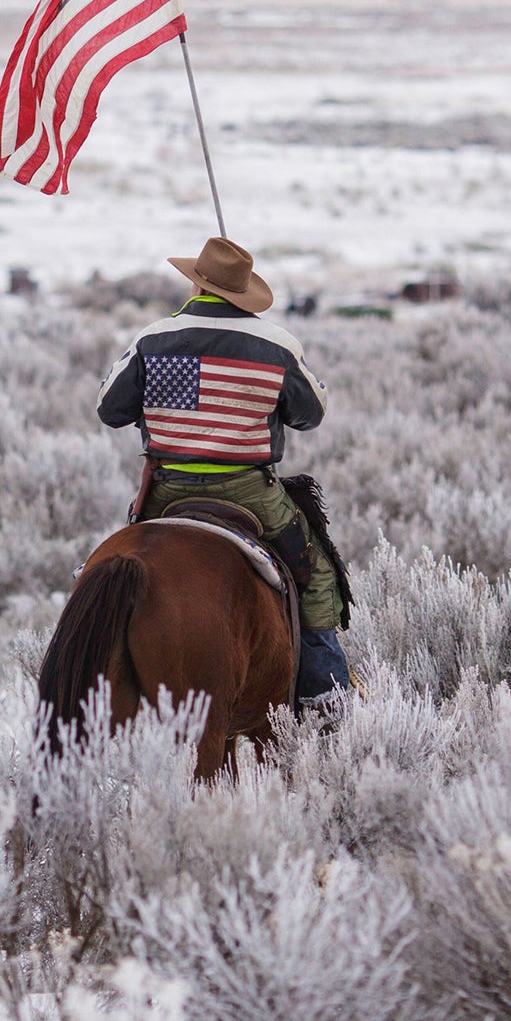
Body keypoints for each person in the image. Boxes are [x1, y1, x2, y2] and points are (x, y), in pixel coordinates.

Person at [97, 236, 352, 700]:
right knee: (316, 575)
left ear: (197, 285)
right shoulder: (276, 343)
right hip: (249, 490)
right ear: (242, 292)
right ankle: (323, 696)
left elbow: (109, 409)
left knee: (114, 567)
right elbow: (310, 414)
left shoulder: (152, 337)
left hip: (166, 491)